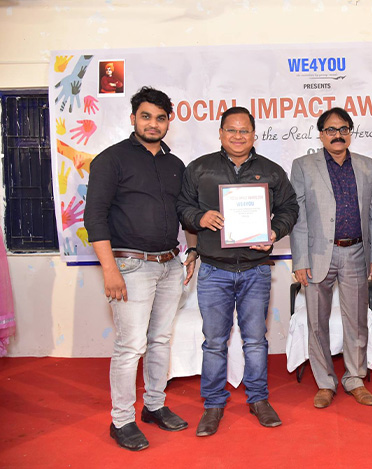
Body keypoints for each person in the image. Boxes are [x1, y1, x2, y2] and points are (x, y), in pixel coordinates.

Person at [177, 106, 298, 437]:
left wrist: (274, 231)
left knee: (255, 340)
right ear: (220, 133)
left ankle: (258, 399)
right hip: (213, 270)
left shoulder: (271, 171)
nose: (238, 136)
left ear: (254, 135)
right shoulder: (199, 168)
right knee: (214, 342)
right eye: (231, 130)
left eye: (244, 131)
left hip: (256, 271)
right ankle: (213, 404)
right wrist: (199, 218)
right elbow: (182, 206)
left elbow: (290, 208)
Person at [85, 86, 191, 451]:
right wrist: (110, 270)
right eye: (146, 116)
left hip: (170, 264)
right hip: (130, 266)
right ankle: (121, 420)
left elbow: (184, 214)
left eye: (160, 118)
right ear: (133, 118)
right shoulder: (110, 160)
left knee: (160, 340)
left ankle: (154, 406)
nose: (153, 124)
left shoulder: (175, 165)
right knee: (131, 346)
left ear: (168, 122)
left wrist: (191, 251)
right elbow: (94, 217)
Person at [290, 107, 372, 409]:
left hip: (356, 251)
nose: (338, 135)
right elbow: (298, 217)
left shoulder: (366, 166)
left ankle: (355, 378)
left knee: (357, 320)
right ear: (321, 135)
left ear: (350, 133)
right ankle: (325, 383)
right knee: (317, 322)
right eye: (331, 130)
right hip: (318, 255)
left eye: (343, 129)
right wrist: (300, 260)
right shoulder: (303, 166)